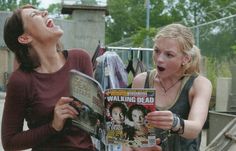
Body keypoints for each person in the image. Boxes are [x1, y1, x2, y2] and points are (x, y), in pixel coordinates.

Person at [2, 5, 94, 151]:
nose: (44, 12)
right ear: (25, 38)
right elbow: (10, 142)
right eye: (34, 14)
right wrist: (53, 126)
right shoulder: (21, 80)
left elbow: (96, 119)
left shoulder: (81, 59)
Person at [132, 23, 212, 151]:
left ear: (185, 59)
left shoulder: (199, 84)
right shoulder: (141, 81)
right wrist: (137, 146)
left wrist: (175, 122)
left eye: (169, 55)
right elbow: (132, 129)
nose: (159, 59)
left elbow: (195, 128)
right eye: (157, 51)